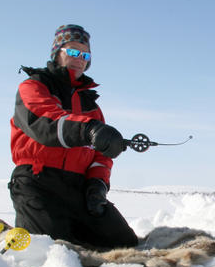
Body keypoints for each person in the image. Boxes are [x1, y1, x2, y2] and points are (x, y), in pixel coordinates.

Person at [8, 24, 138, 250]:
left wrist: (97, 184)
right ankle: (3, 234)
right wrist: (90, 131)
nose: (80, 59)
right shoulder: (34, 86)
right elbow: (46, 121)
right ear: (57, 53)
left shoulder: (91, 106)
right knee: (54, 248)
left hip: (77, 188)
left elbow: (100, 156)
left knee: (123, 241)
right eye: (73, 51)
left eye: (85, 54)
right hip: (38, 181)